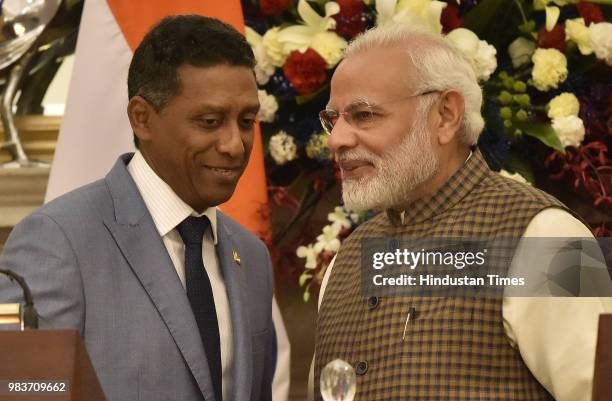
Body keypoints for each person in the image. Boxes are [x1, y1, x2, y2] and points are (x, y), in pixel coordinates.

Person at [312, 24, 611, 401]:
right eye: (332, 119)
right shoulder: (346, 260)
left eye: (364, 114)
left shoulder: (546, 239)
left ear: (446, 115)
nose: (336, 139)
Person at [0, 16, 274, 401]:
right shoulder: (57, 241)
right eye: (210, 121)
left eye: (246, 121)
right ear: (142, 118)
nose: (234, 144)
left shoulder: (252, 257)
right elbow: (21, 392)